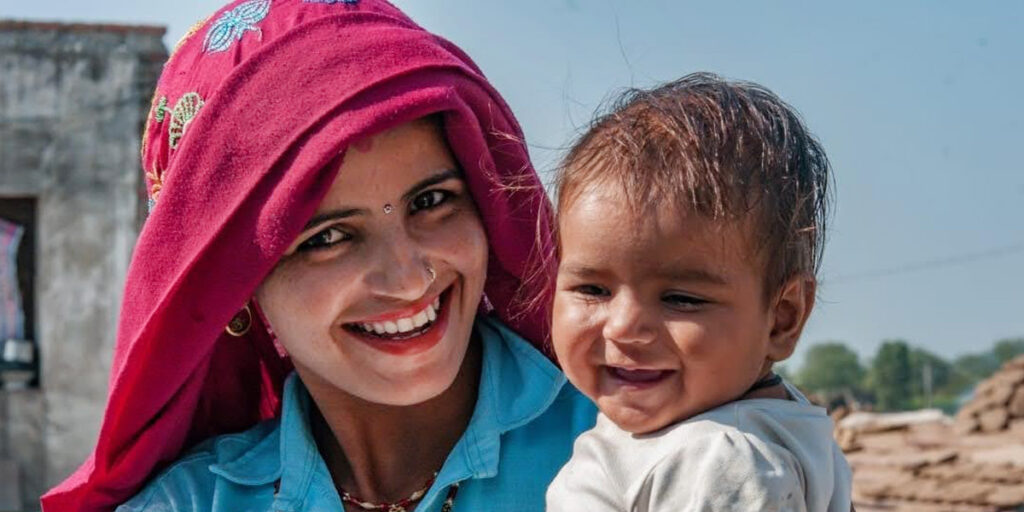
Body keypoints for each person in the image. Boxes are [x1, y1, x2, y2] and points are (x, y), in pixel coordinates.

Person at [41, 1, 595, 511]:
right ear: (233, 288)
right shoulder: (189, 503)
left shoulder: (631, 452)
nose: (407, 280)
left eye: (432, 201)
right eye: (328, 238)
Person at [545, 73, 852, 511]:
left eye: (681, 299)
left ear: (782, 317)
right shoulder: (766, 428)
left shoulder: (719, 461)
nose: (625, 327)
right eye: (593, 289)